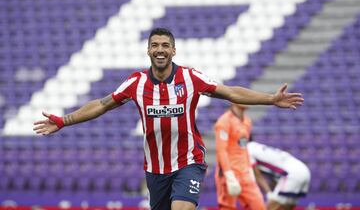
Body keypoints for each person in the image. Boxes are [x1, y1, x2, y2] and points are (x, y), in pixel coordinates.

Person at [33, 28, 304, 210]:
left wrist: (270, 98)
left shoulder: (191, 77)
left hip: (189, 162)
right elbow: (102, 104)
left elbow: (230, 92)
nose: (159, 49)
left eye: (165, 45)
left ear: (173, 51)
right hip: (155, 169)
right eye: (154, 45)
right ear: (148, 51)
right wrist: (64, 120)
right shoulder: (135, 83)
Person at [214, 104, 266, 210]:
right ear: (234, 100)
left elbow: (244, 148)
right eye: (243, 97)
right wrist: (229, 175)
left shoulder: (247, 121)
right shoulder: (224, 121)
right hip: (229, 174)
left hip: (245, 173)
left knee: (258, 206)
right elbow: (221, 150)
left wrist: (250, 169)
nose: (247, 100)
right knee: (227, 207)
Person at [248, 141, 311, 210]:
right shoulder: (256, 146)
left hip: (292, 173)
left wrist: (269, 193)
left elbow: (257, 176)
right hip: (303, 169)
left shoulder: (246, 149)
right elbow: (274, 174)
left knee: (271, 206)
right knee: (287, 207)